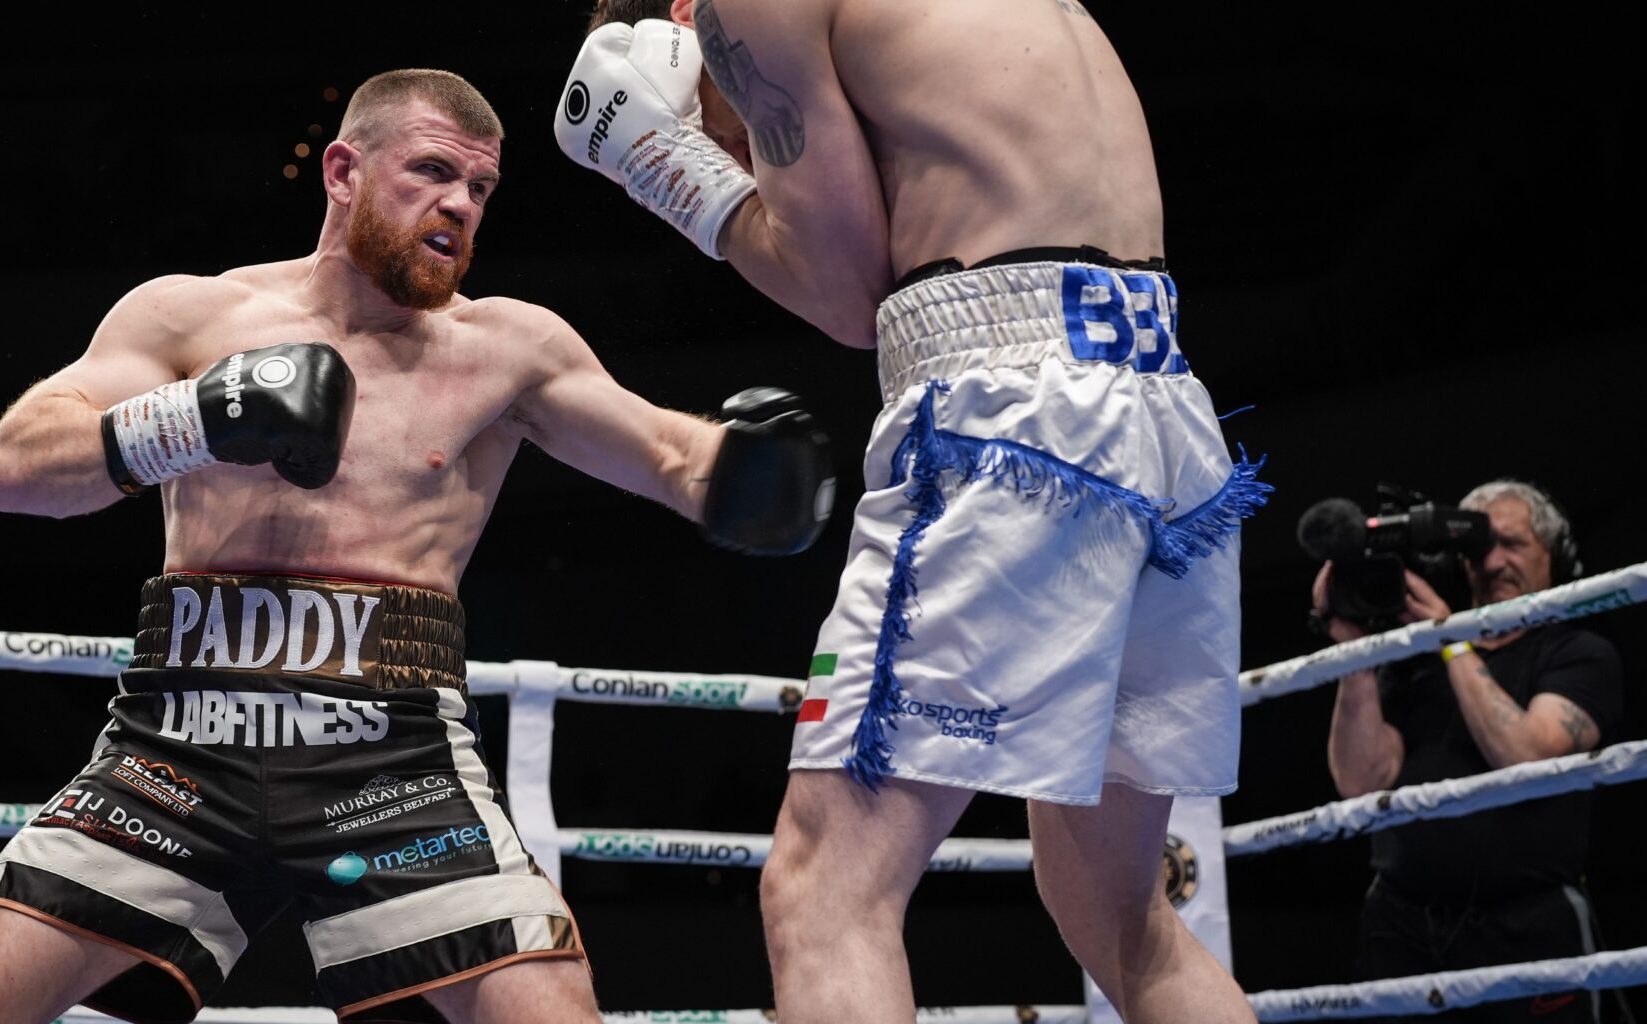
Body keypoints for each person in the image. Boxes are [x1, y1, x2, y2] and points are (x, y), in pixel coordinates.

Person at [0, 68, 834, 1024]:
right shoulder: (190, 316)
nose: (460, 206)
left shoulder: (506, 348)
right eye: (433, 173)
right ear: (343, 170)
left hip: (393, 763)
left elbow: (673, 455)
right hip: (176, 751)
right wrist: (196, 417)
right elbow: (16, 472)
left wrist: (753, 475)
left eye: (480, 190)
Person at [553, 3, 1268, 1022]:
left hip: (1010, 409)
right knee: (1120, 913)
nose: (734, 140)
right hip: (1166, 412)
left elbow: (842, 290)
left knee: (823, 884)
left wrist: (668, 164)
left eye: (714, 110)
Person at [1318, 480, 1624, 1023]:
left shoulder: (1578, 654)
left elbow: (1529, 755)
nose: (1495, 561)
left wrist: (1451, 639)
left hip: (1527, 929)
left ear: (1553, 556)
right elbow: (1360, 781)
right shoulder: (1417, 656)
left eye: (1514, 544)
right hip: (1402, 926)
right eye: (1481, 548)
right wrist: (1356, 653)